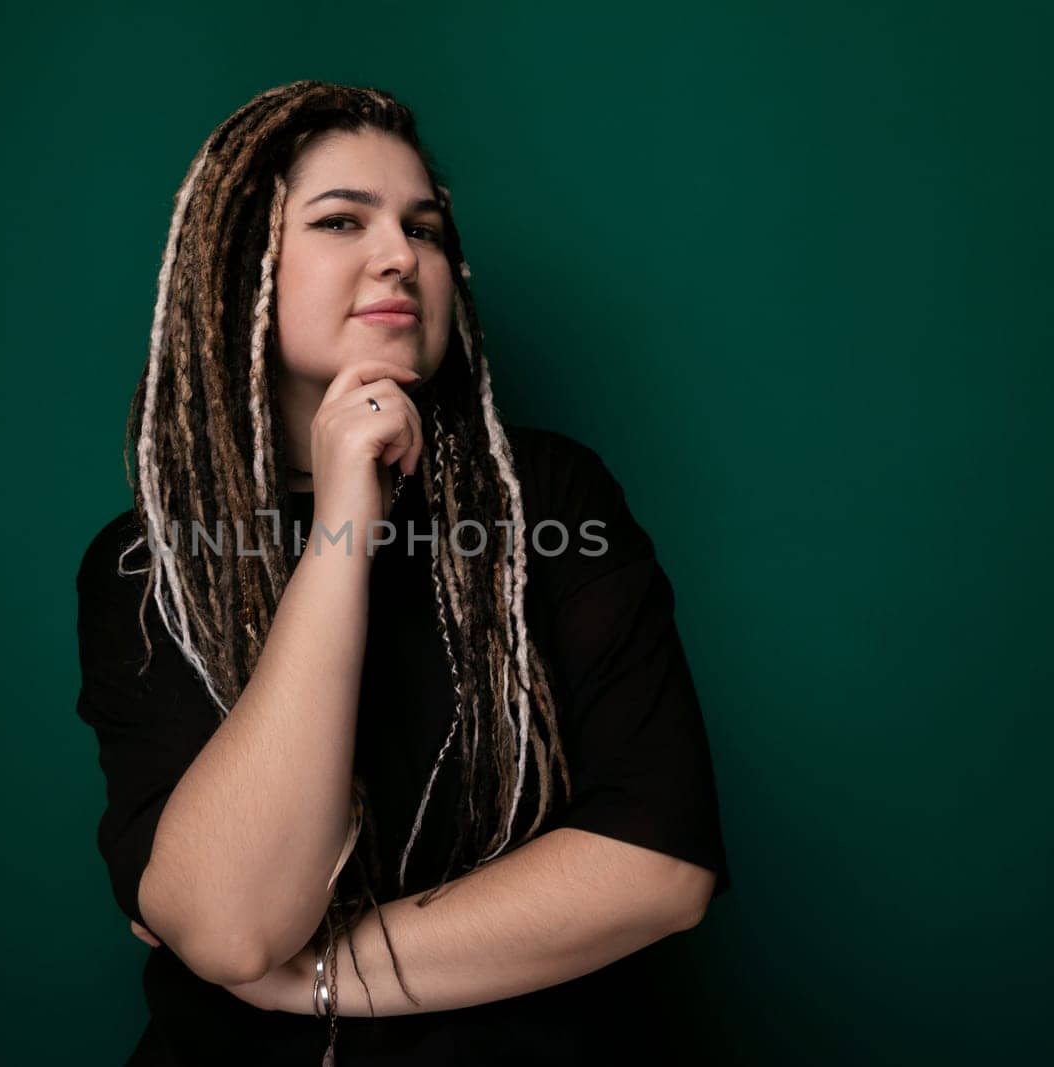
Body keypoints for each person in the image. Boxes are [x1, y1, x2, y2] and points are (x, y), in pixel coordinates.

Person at [74, 80, 733, 1065]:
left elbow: (654, 869)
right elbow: (231, 925)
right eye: (342, 219)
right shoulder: (148, 563)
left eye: (423, 228)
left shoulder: (546, 498)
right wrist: (345, 520)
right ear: (231, 269)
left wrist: (315, 980)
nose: (401, 256)